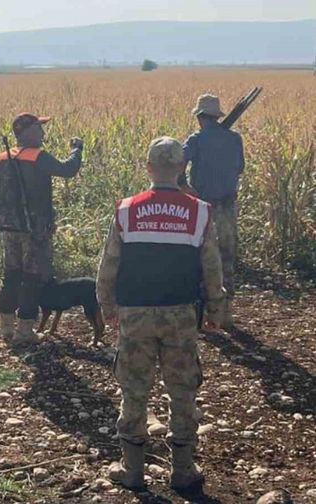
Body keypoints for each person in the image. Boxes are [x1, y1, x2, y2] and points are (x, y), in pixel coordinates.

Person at [97, 137, 225, 493]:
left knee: (134, 389)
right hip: (181, 315)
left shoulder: (126, 209)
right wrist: (216, 308)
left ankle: (133, 471)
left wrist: (108, 307)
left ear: (149, 167)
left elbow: (108, 265)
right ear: (182, 168)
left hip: (134, 314)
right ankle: (183, 471)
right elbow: (211, 268)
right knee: (182, 391)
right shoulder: (200, 211)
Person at [0, 113, 83, 347]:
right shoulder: (39, 157)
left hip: (9, 230)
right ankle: (25, 331)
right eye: (39, 128)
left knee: (11, 275)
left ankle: (5, 325)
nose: (43, 133)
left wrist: (5, 215)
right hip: (36, 232)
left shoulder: (2, 158)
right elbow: (68, 170)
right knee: (31, 278)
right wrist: (77, 149)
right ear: (26, 132)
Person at [180, 94, 244, 331]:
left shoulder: (196, 139)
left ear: (199, 117)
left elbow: (177, 163)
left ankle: (203, 315)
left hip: (203, 208)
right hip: (227, 206)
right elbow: (239, 169)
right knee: (226, 258)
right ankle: (225, 314)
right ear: (217, 116)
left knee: (202, 259)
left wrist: (185, 186)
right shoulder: (235, 139)